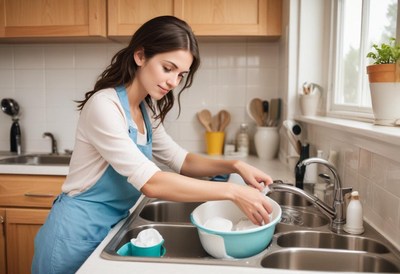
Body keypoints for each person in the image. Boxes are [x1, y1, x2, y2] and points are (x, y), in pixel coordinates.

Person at [32, 15, 273, 274]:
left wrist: (235, 165)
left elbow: (181, 160)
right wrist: (233, 192)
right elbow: (151, 182)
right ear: (140, 56)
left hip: (109, 231)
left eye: (180, 75)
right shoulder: (105, 106)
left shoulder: (147, 110)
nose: (173, 82)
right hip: (73, 238)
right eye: (167, 68)